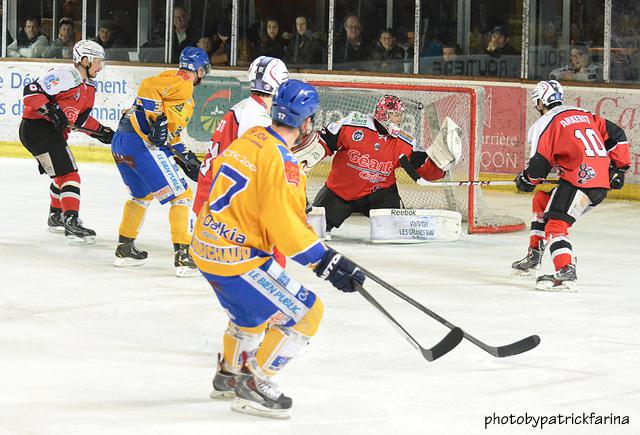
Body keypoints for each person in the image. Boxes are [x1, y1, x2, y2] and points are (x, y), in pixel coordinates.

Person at [191, 79, 365, 418]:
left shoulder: (249, 139)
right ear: (306, 122)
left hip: (206, 245)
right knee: (308, 313)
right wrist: (324, 261)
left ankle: (228, 375)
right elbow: (284, 226)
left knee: (250, 315)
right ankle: (255, 381)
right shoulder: (282, 162)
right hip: (237, 259)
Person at [512, 80, 630, 291]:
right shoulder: (583, 113)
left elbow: (540, 163)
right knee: (542, 200)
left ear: (540, 102)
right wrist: (620, 169)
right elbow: (617, 135)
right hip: (596, 182)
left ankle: (566, 271)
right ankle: (534, 255)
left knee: (556, 224)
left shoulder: (545, 123)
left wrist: (527, 179)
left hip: (579, 182)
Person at [110, 47, 210, 277]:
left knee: (141, 195)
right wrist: (157, 120)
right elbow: (147, 88)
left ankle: (125, 248)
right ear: (201, 70)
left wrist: (187, 158)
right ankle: (184, 256)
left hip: (123, 142)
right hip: (140, 144)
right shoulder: (183, 82)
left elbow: (169, 134)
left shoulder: (174, 84)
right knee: (182, 197)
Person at [302, 95, 459, 232]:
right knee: (313, 230)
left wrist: (442, 166)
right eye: (395, 114)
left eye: (400, 115)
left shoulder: (404, 142)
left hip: (380, 195)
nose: (399, 119)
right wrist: (305, 159)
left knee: (396, 230)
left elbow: (424, 168)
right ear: (383, 113)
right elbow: (324, 142)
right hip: (339, 192)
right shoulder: (353, 124)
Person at [194, 56, 289, 266]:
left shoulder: (245, 107)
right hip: (222, 202)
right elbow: (257, 164)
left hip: (213, 195)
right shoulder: (257, 118)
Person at [19, 40, 114, 244]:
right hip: (37, 128)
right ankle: (70, 220)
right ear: (85, 60)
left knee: (62, 175)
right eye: (98, 62)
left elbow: (79, 120)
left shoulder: (89, 87)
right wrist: (50, 110)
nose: (100, 67)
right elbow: (31, 91)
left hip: (48, 132)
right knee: (69, 174)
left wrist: (101, 131)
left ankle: (56, 216)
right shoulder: (66, 75)